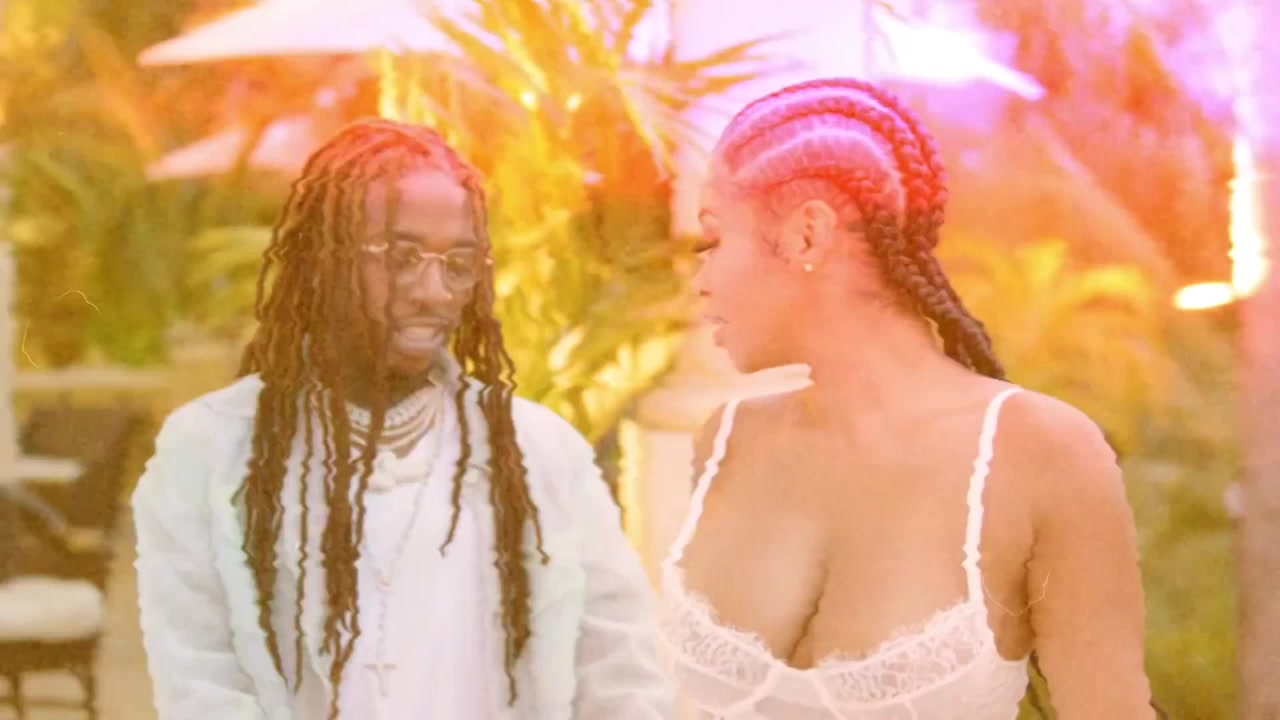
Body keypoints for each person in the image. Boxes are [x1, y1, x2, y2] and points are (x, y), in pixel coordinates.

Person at [132, 118, 672, 720]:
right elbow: (200, 682)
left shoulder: (541, 453)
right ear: (324, 261)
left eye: (458, 262)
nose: (433, 291)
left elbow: (620, 671)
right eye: (402, 257)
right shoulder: (210, 450)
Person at [658, 79, 1158, 719]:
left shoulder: (1037, 450)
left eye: (712, 242)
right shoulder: (729, 440)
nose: (699, 280)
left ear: (807, 235)